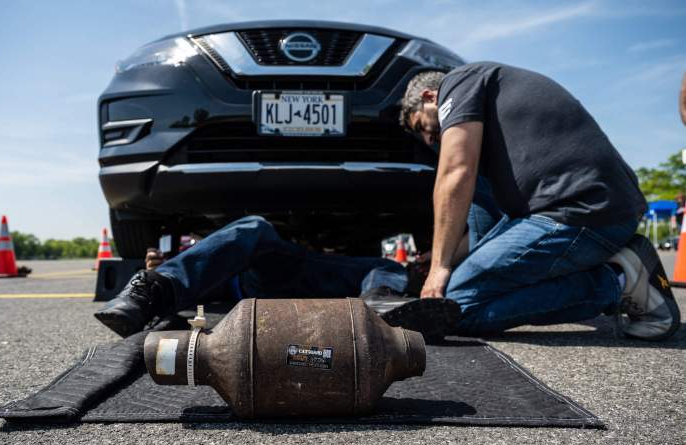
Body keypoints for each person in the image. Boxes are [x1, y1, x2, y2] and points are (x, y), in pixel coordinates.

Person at [399, 63, 681, 341]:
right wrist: (443, 258)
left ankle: (619, 280)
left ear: (429, 97)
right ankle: (615, 265)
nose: (429, 139)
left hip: (583, 209)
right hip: (585, 209)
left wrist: (439, 268)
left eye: (423, 126)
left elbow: (456, 172)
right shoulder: (492, 112)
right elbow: (481, 222)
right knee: (458, 288)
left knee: (457, 306)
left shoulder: (459, 82)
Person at [95, 216, 457, 340]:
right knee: (254, 228)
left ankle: (379, 303)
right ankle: (151, 291)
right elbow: (213, 259)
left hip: (322, 277)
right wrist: (168, 268)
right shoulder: (211, 257)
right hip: (263, 279)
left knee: (388, 267)